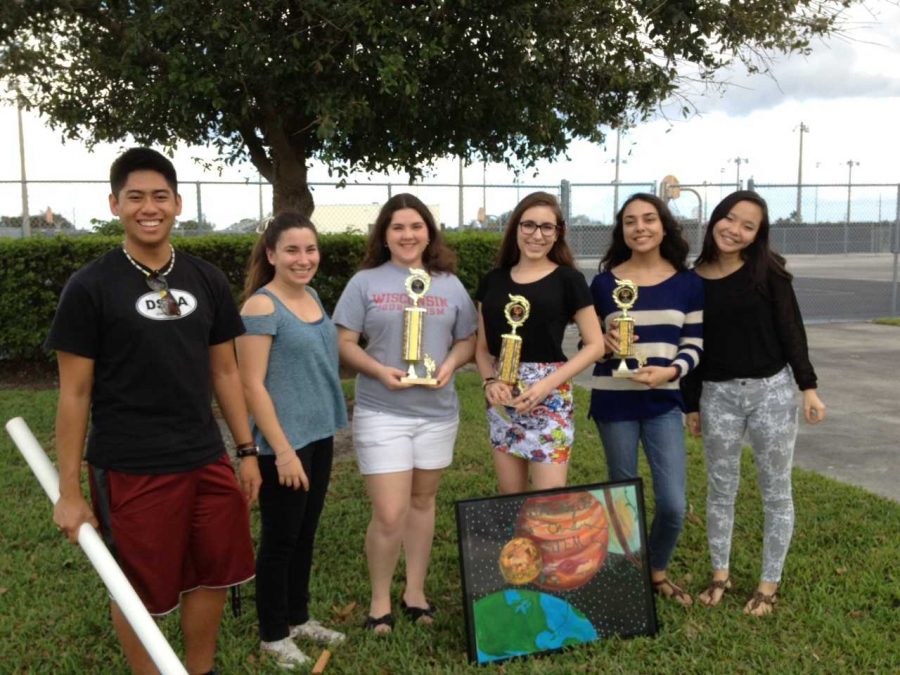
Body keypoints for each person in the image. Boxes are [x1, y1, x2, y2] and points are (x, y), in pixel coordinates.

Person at [46, 147, 258, 674]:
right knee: (140, 589)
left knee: (212, 572)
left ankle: (199, 670)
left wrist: (247, 450)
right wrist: (69, 492)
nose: (149, 207)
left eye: (160, 196)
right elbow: (74, 395)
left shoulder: (206, 279)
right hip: (131, 466)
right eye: (135, 197)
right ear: (115, 204)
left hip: (204, 456)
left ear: (178, 203)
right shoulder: (90, 286)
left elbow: (226, 372)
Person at [332, 193, 477, 635]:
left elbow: (467, 339)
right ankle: (380, 600)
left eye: (416, 226)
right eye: (398, 227)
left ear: (428, 232)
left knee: (422, 501)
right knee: (391, 512)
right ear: (385, 235)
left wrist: (450, 367)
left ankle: (414, 591)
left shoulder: (449, 284)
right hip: (382, 411)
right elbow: (343, 344)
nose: (408, 235)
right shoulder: (365, 283)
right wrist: (379, 371)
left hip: (436, 412)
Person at [681, 190, 826, 616]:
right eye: (730, 219)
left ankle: (768, 584)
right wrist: (692, 406)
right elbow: (691, 348)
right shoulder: (692, 280)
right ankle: (720, 575)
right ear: (715, 219)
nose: (735, 230)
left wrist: (809, 387)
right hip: (717, 397)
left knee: (775, 491)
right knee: (720, 490)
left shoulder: (768, 272)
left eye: (749, 226)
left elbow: (791, 331)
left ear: (758, 234)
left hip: (773, 394)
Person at [236, 213, 348, 668]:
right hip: (283, 443)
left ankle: (298, 617)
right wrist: (280, 450)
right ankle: (273, 633)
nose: (303, 260)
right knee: (281, 539)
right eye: (292, 251)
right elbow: (251, 385)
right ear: (271, 255)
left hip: (318, 434)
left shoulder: (313, 296)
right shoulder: (260, 308)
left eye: (310, 250)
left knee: (305, 533)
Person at [588, 193, 703, 607]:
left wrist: (671, 372)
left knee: (673, 503)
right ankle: (625, 578)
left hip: (663, 402)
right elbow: (590, 345)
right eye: (631, 221)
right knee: (622, 498)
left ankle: (655, 570)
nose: (640, 227)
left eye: (649, 219)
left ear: (664, 225)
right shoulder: (603, 284)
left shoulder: (688, 283)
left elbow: (694, 344)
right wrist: (601, 343)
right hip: (613, 400)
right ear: (621, 230)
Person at [475, 191, 604, 494]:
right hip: (503, 398)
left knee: (548, 502)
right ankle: (520, 545)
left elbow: (595, 345)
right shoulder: (493, 281)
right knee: (512, 499)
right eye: (528, 225)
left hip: (550, 398)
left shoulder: (569, 280)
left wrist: (547, 385)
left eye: (547, 227)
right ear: (516, 228)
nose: (537, 234)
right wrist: (489, 382)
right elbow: (481, 348)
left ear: (559, 233)